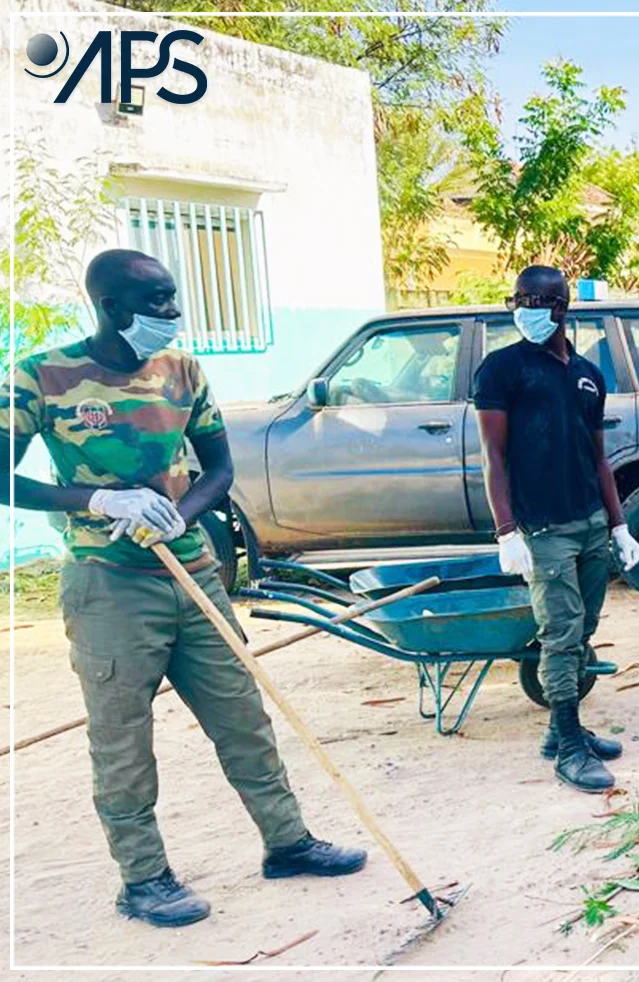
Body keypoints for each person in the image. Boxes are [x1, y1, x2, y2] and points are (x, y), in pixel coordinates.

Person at [2, 249, 366, 928]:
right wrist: (97, 502)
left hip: (193, 571)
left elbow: (219, 468)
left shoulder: (183, 370)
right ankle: (144, 880)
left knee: (244, 719)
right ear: (111, 307)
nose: (173, 315)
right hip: (108, 585)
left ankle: (287, 842)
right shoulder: (40, 377)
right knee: (123, 740)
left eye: (175, 299)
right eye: (159, 302)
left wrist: (181, 512)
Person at [473, 265, 639, 792]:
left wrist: (619, 527)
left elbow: (598, 459)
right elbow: (494, 458)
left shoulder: (589, 373)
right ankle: (568, 745)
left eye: (537, 299)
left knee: (584, 627)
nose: (524, 308)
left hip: (590, 522)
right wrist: (507, 530)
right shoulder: (501, 370)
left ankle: (560, 729)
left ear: (562, 307)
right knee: (561, 634)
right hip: (543, 527)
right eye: (518, 299)